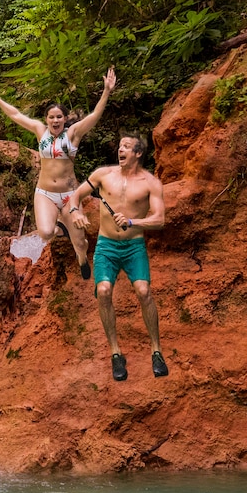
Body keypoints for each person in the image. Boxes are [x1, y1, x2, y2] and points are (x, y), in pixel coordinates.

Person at [0, 68, 117, 278]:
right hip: (45, 192)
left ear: (65, 118)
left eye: (59, 117)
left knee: (80, 242)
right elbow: (15, 114)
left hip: (70, 195)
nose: (55, 121)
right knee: (46, 233)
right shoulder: (40, 131)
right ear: (46, 119)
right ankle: (59, 228)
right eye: (51, 117)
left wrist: (107, 92)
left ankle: (82, 259)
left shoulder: (73, 134)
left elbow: (95, 115)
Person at [67, 133, 168, 381]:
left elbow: (159, 220)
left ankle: (156, 350)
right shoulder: (103, 175)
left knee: (144, 291)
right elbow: (75, 196)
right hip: (106, 245)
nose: (120, 150)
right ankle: (115, 354)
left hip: (134, 246)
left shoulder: (150, 182)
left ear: (138, 153)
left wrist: (134, 221)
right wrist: (74, 212)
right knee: (103, 291)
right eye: (119, 146)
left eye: (126, 147)